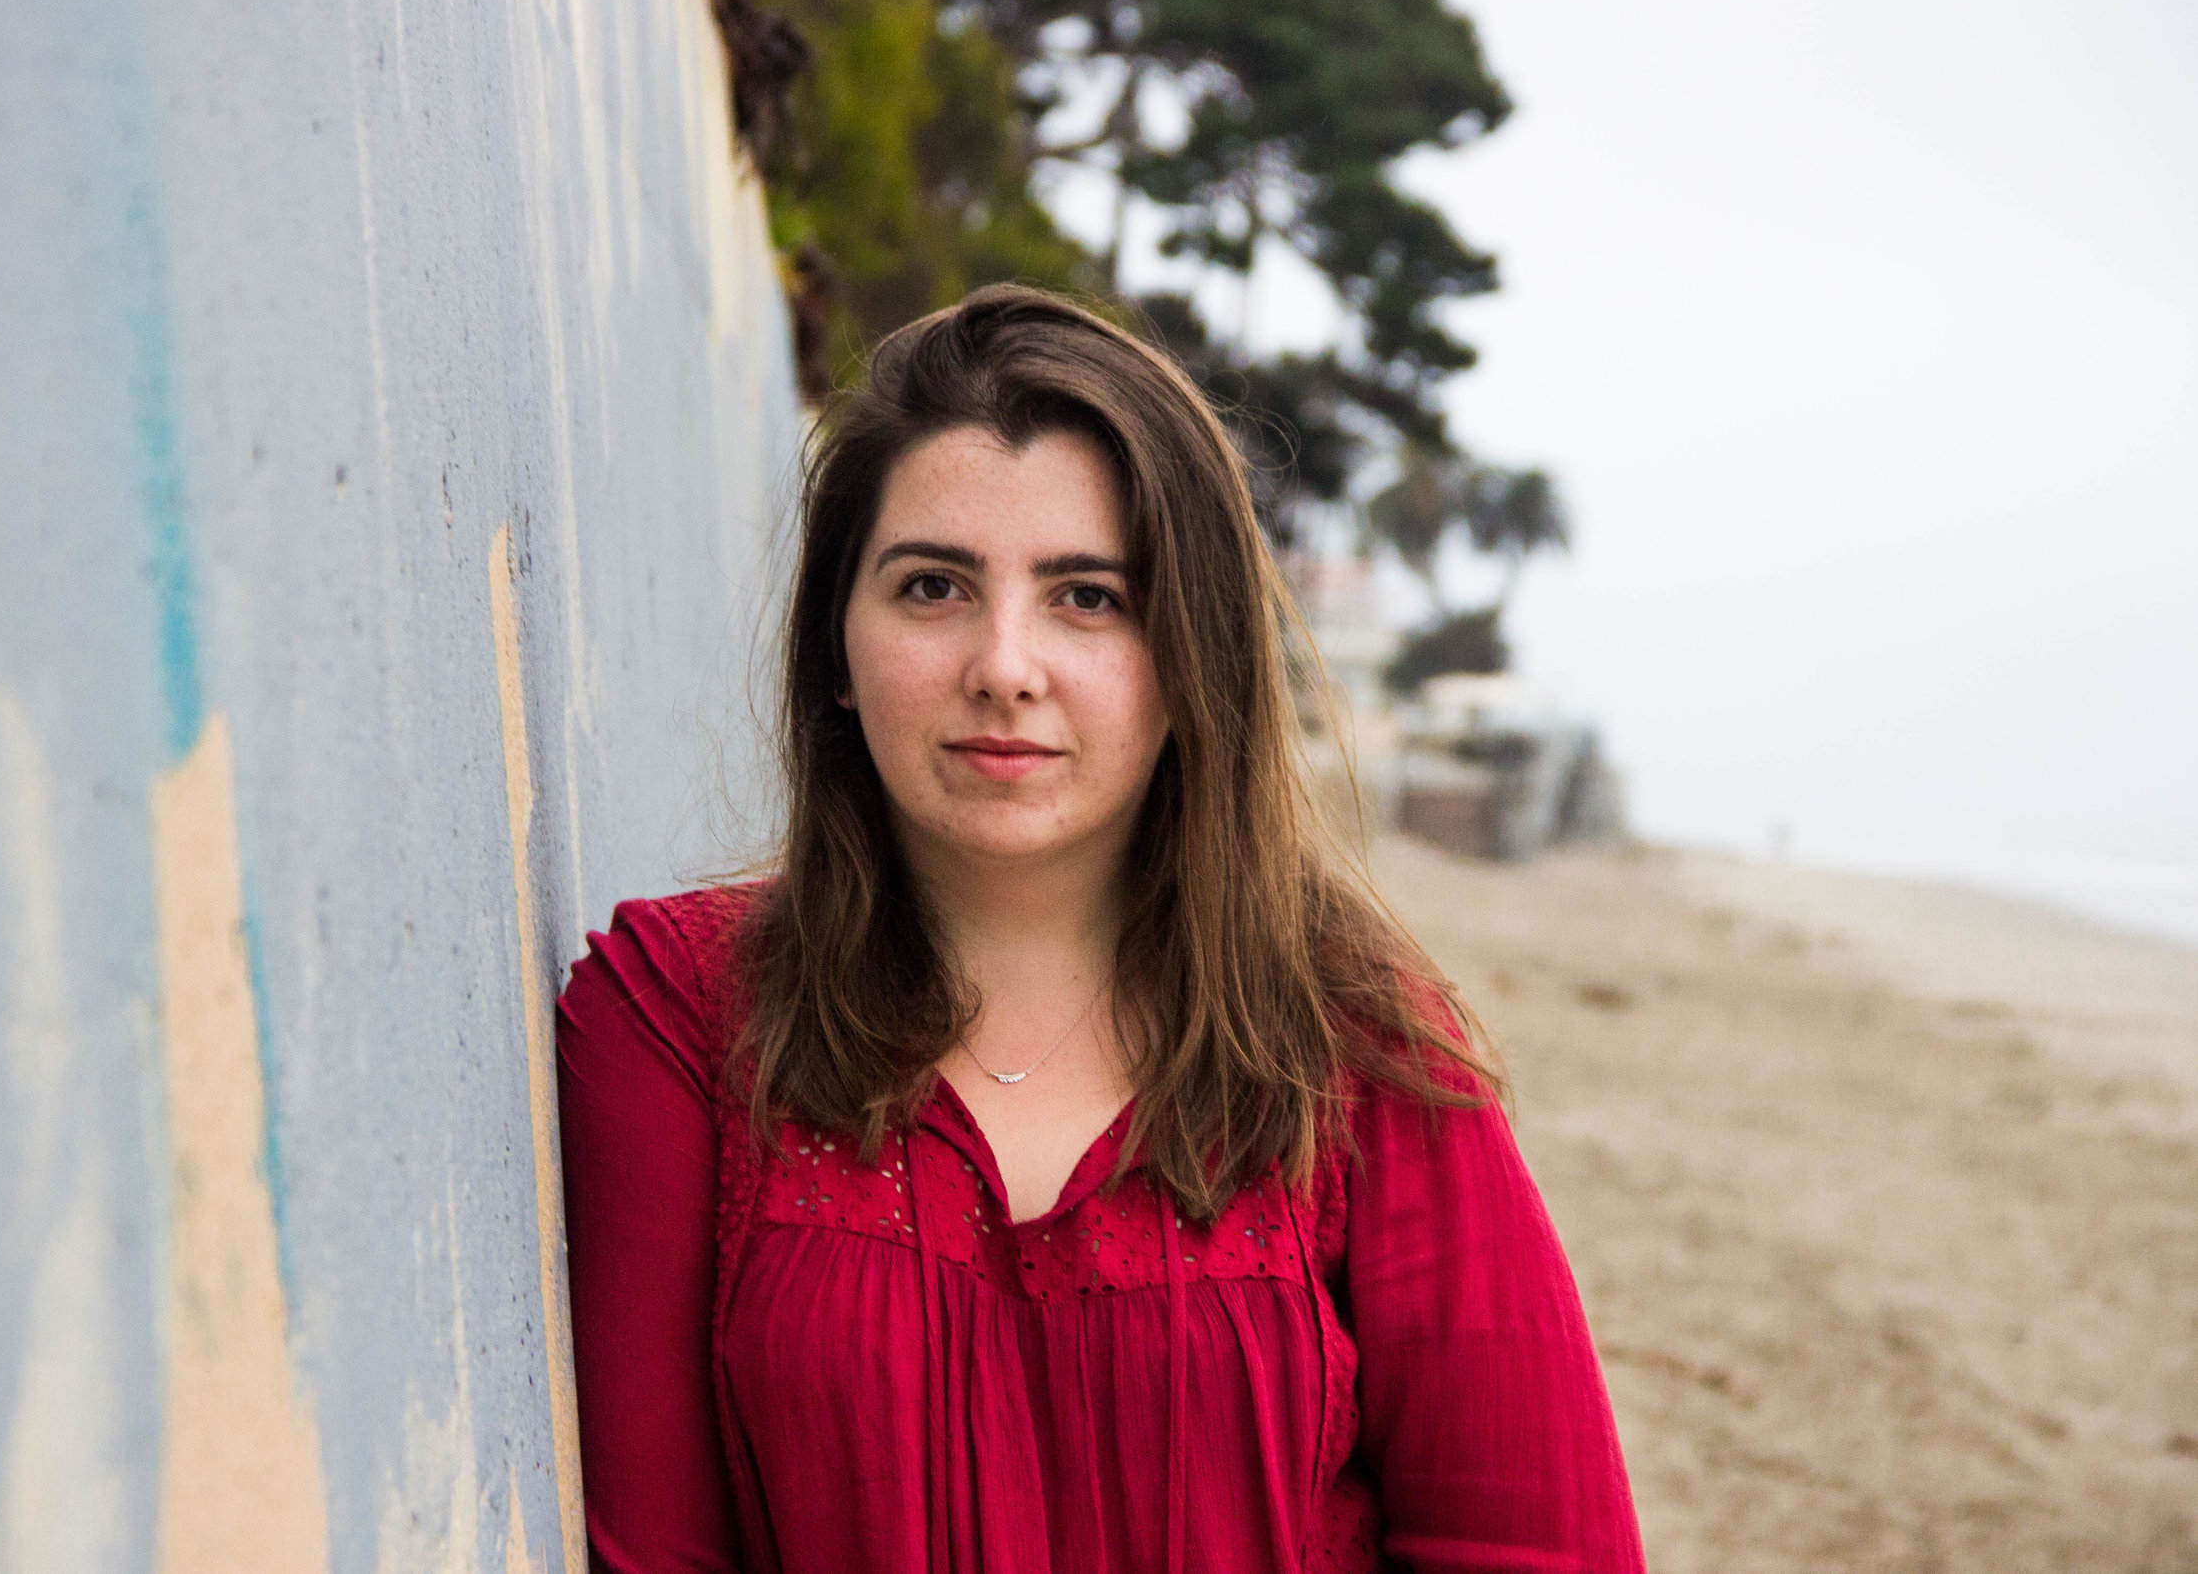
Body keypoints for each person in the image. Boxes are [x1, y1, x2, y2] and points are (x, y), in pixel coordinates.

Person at [556, 285, 1644, 1573]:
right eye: (932, 586)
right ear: (837, 650)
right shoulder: (677, 1022)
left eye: (1088, 598)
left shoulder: (1362, 1056)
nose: (1005, 665)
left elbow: (1535, 1546)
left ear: (1194, 656)